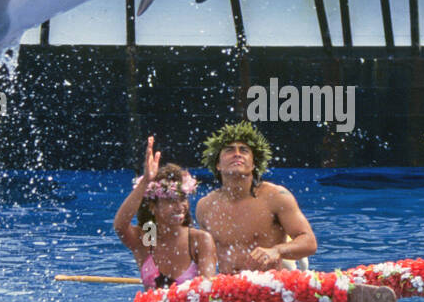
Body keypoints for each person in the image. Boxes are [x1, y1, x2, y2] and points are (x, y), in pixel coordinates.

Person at [195, 121, 318, 275]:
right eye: (229, 150)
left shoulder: (276, 197)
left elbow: (309, 242)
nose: (237, 154)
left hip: (268, 287)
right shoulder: (205, 206)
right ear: (218, 165)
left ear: (253, 164)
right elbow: (207, 256)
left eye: (244, 150)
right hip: (227, 287)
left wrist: (277, 250)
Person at [113, 136, 216, 291]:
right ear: (153, 207)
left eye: (182, 199)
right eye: (170, 201)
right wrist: (145, 182)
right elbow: (120, 226)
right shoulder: (147, 239)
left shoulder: (199, 240)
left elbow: (206, 291)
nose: (179, 207)